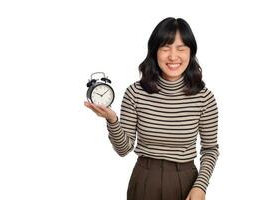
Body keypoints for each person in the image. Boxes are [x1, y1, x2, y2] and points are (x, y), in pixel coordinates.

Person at [84, 17, 220, 200]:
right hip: (144, 180)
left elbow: (210, 149)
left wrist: (200, 187)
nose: (173, 56)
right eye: (165, 48)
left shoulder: (204, 98)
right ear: (155, 51)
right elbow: (124, 149)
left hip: (186, 181)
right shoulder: (135, 93)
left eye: (181, 49)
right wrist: (112, 120)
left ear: (191, 52)